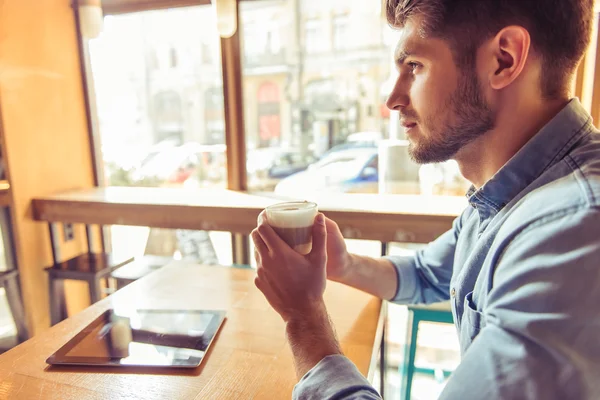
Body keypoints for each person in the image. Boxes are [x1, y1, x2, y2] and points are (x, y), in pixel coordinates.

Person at [251, 0, 600, 398]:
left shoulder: (575, 233)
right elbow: (427, 274)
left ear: (504, 59)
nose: (392, 98)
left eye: (414, 65)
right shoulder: (511, 194)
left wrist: (302, 317)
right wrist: (342, 264)